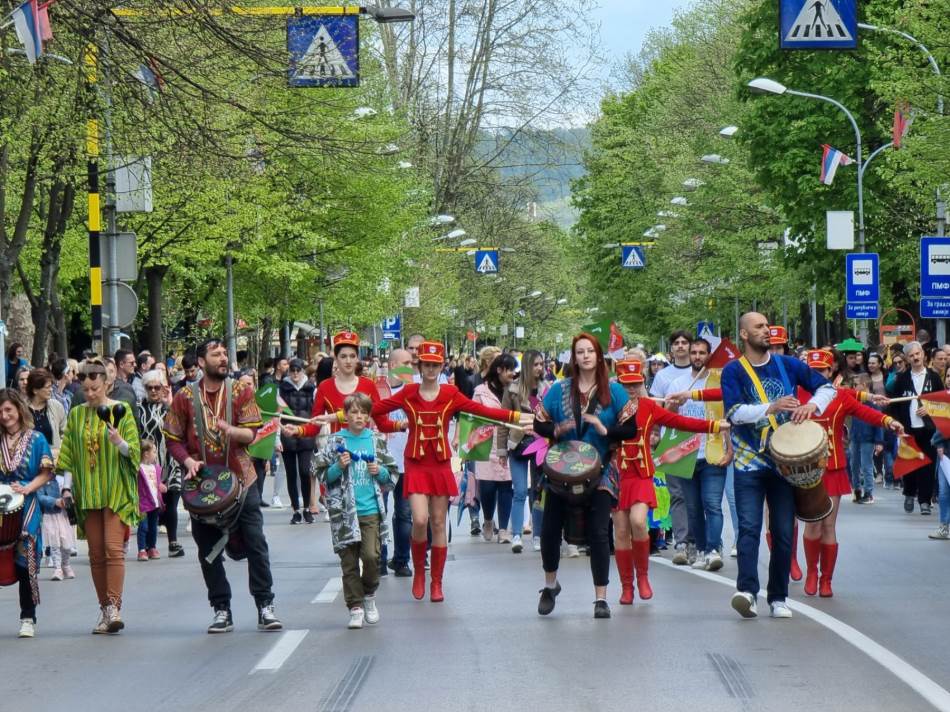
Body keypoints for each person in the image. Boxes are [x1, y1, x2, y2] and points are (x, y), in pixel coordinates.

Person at [363, 341, 530, 603]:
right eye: (426, 365)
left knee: (438, 522)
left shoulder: (450, 394)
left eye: (435, 365)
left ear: (441, 366)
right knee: (419, 519)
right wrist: (388, 424)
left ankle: (436, 582)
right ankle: (419, 571)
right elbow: (374, 411)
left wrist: (519, 417)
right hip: (416, 464)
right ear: (420, 366)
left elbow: (482, 411)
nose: (430, 369)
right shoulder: (408, 392)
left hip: (440, 464)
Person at [721, 312, 835, 620]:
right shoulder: (733, 371)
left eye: (767, 325)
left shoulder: (789, 365)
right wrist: (771, 407)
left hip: (785, 465)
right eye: (759, 326)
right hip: (748, 460)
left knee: (784, 532)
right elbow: (733, 413)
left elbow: (828, 388)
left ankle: (778, 596)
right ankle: (746, 591)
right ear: (744, 334)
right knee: (749, 528)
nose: (766, 330)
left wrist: (813, 404)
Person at [164, 338, 282, 634]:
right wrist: (186, 462)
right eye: (215, 354)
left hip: (242, 481)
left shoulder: (242, 391)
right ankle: (221, 608)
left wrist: (232, 430)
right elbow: (173, 437)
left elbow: (252, 434)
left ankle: (264, 605)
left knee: (256, 543)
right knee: (208, 550)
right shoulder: (184, 397)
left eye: (224, 354)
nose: (223, 358)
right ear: (201, 362)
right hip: (202, 485)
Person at [591, 359, 727, 605]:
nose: (631, 390)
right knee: (620, 531)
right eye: (626, 385)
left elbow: (681, 422)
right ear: (617, 384)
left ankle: (643, 577)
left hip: (641, 473)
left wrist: (714, 425)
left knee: (638, 521)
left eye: (636, 384)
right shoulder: (608, 408)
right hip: (615, 474)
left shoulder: (649, 407)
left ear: (643, 382)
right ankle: (626, 587)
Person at [532, 333, 628, 619]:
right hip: (561, 471)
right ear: (573, 358)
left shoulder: (615, 391)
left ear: (598, 356)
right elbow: (539, 424)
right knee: (549, 531)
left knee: (600, 532)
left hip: (600, 470)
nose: (585, 356)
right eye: (580, 352)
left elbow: (631, 429)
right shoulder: (558, 389)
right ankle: (550, 585)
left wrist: (605, 429)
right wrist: (555, 431)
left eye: (590, 351)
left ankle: (601, 598)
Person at [799, 349, 903, 597]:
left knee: (829, 524)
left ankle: (827, 580)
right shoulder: (797, 395)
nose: (818, 375)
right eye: (812, 372)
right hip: (806, 470)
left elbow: (866, 412)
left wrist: (890, 422)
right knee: (813, 524)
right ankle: (812, 572)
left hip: (833, 467)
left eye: (822, 371)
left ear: (830, 371)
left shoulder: (841, 395)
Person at [57, 358, 141, 634]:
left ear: (107, 383)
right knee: (95, 554)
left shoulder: (121, 410)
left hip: (115, 488)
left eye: (95, 388)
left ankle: (115, 607)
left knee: (113, 550)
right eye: (86, 388)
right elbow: (68, 453)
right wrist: (67, 487)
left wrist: (120, 443)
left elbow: (135, 452)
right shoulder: (77, 414)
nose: (91, 394)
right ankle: (104, 609)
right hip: (88, 491)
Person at [313, 393, 396, 629]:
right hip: (343, 512)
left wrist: (378, 471)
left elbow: (391, 476)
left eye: (363, 413)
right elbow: (321, 474)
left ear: (369, 416)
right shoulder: (336, 441)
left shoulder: (377, 440)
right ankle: (355, 607)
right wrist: (338, 467)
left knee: (371, 557)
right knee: (348, 562)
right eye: (354, 412)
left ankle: (369, 594)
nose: (359, 417)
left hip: (370, 510)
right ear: (345, 415)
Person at [664, 337, 733, 572]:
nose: (697, 357)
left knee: (712, 504)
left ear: (709, 355)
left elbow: (729, 419)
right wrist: (675, 402)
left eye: (702, 353)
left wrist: (730, 449)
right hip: (687, 453)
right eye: (694, 353)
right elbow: (668, 416)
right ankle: (702, 549)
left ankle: (714, 549)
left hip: (713, 452)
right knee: (693, 508)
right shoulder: (677, 383)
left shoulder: (719, 383)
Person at [0, 389, 54, 638]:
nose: (4, 415)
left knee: (24, 560)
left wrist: (27, 488)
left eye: (8, 410)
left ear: (19, 410)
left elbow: (46, 472)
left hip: (27, 503)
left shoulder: (37, 439)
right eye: (0, 411)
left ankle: (28, 616)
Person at [498, 349, 548, 552]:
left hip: (541, 445)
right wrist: (501, 450)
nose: (539, 368)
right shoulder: (512, 390)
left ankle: (537, 536)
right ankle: (517, 534)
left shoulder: (547, 389)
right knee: (519, 491)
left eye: (541, 364)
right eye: (535, 364)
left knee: (538, 491)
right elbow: (503, 421)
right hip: (517, 444)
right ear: (527, 366)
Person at [649, 330, 692, 563]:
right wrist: (655, 436)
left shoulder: (703, 373)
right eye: (677, 343)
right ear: (672, 348)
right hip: (672, 439)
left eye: (685, 343)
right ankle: (681, 542)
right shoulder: (663, 376)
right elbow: (656, 411)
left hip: (699, 440)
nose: (681, 346)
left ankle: (703, 542)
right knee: (677, 494)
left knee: (701, 497)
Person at [886, 340, 941, 515]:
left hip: (928, 429)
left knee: (928, 466)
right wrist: (896, 424)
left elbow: (942, 402)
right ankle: (909, 493)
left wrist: (930, 409)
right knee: (910, 464)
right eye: (911, 355)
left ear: (923, 355)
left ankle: (924, 501)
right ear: (907, 359)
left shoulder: (934, 377)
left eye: (917, 354)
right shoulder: (902, 378)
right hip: (908, 429)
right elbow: (893, 404)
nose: (915, 357)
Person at [139, 370, 185, 557]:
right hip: (148, 464)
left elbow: (180, 430)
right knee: (150, 505)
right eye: (149, 388)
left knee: (171, 501)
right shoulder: (139, 409)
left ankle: (173, 542)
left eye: (157, 387)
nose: (153, 391)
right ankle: (147, 545)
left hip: (170, 461)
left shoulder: (170, 408)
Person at [473, 354, 518, 544]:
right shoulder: (481, 391)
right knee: (488, 487)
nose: (513, 373)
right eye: (510, 369)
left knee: (506, 485)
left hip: (507, 442)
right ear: (499, 370)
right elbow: (471, 415)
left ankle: (504, 529)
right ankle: (489, 520)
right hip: (485, 444)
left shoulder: (515, 390)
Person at [383, 348, 413, 577]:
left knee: (403, 513)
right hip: (380, 461)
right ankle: (380, 560)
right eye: (406, 363)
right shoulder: (377, 389)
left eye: (412, 363)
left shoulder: (412, 391)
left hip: (405, 460)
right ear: (393, 365)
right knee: (377, 512)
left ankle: (402, 560)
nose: (410, 367)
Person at [279, 358, 317, 524]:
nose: (295, 373)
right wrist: (276, 437)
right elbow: (276, 414)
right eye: (292, 370)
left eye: (298, 370)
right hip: (287, 435)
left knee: (304, 471)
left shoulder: (312, 388)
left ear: (303, 370)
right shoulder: (282, 388)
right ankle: (296, 510)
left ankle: (307, 507)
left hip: (306, 434)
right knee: (291, 474)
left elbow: (316, 412)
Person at [41, 470, 76, 581]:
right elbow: (40, 497)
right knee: (54, 543)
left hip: (64, 515)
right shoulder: (42, 479)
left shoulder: (64, 478)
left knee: (66, 545)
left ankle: (65, 565)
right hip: (50, 515)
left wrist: (72, 498)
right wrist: (54, 501)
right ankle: (57, 569)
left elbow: (74, 490)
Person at [25, 369, 67, 456]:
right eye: (47, 387)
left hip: (54, 460)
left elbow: (66, 433)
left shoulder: (56, 406)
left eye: (51, 386)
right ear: (35, 390)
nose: (51, 390)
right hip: (30, 460)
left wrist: (60, 450)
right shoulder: (22, 409)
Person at [136, 439, 165, 561]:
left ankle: (152, 547)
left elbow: (157, 482)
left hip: (154, 503)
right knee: (143, 526)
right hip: (143, 503)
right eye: (154, 451)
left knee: (153, 527)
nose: (155, 454)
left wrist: (161, 486)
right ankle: (142, 550)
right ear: (146, 453)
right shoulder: (139, 468)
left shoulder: (156, 468)